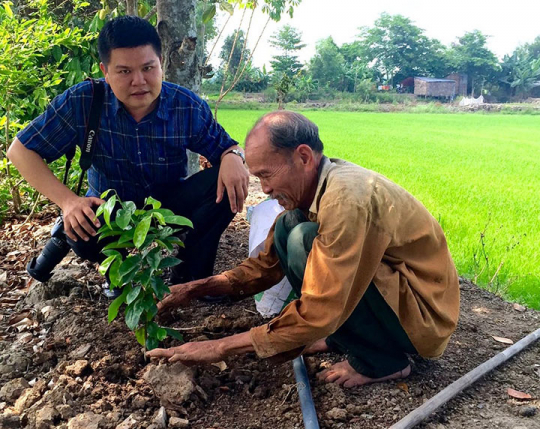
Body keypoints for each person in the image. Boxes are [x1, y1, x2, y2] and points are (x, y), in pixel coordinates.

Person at [147, 111, 460, 388]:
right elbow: (264, 267)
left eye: (266, 175)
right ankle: (346, 336)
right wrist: (192, 289)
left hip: (422, 319)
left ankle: (383, 362)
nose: (265, 189)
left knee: (303, 241)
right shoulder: (310, 193)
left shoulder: (345, 201)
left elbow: (321, 308)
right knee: (288, 229)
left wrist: (219, 348)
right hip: (395, 298)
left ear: (304, 157)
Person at [7, 16, 248, 287]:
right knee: (76, 228)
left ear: (161, 64)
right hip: (110, 212)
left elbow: (228, 146)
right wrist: (67, 201)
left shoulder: (186, 106)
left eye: (148, 68)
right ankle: (119, 272)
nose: (139, 81)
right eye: (124, 72)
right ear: (105, 71)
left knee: (227, 182)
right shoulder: (83, 101)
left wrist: (232, 156)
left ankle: (190, 275)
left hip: (168, 208)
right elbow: (20, 151)